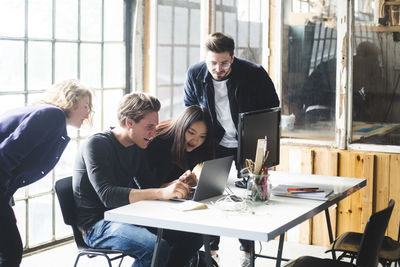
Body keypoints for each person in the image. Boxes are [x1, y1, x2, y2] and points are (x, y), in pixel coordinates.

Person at [73, 92, 203, 267]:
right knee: (155, 248)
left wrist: (176, 184)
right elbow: (108, 195)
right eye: (149, 126)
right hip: (97, 225)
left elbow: (150, 186)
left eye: (155, 126)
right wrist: (161, 192)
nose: (154, 132)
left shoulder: (137, 146)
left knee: (193, 236)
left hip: (128, 215)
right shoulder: (96, 144)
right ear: (129, 123)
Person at [184, 32, 280, 266]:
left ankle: (247, 251)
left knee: (249, 197)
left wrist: (264, 148)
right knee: (209, 194)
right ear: (206, 59)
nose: (218, 69)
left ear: (233, 58)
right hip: (213, 143)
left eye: (224, 63)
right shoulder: (196, 74)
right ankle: (210, 251)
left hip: (249, 144)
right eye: (213, 63)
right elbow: (190, 110)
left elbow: (272, 109)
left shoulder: (253, 74)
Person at [0, 79, 93, 267]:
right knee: (10, 250)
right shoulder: (51, 115)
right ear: (71, 102)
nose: (88, 113)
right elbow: (7, 154)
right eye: (85, 106)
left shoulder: (42, 114)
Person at [146, 105, 215, 187]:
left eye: (202, 136)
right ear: (181, 127)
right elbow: (146, 187)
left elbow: (175, 180)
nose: (196, 141)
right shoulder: (158, 142)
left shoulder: (195, 148)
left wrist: (187, 181)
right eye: (191, 133)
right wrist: (173, 185)